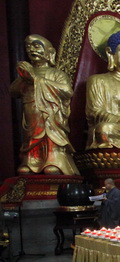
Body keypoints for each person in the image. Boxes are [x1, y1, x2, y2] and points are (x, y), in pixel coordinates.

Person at [9, 34, 79, 175]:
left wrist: (36, 79)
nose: (32, 50)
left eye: (36, 46)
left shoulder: (57, 74)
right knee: (31, 139)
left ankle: (53, 161)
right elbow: (13, 91)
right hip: (32, 114)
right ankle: (30, 163)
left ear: (49, 52)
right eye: (29, 47)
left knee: (50, 140)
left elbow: (67, 91)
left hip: (51, 117)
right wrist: (23, 77)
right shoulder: (26, 75)